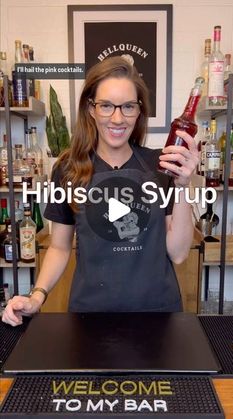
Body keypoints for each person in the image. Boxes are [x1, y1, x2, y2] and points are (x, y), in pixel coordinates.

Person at [2, 56, 199, 326]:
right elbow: (59, 247)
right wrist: (37, 296)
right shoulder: (68, 169)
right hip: (90, 316)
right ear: (91, 109)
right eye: (106, 105)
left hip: (158, 315)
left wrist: (184, 186)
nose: (117, 118)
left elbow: (177, 253)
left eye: (128, 106)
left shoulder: (160, 166)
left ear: (139, 111)